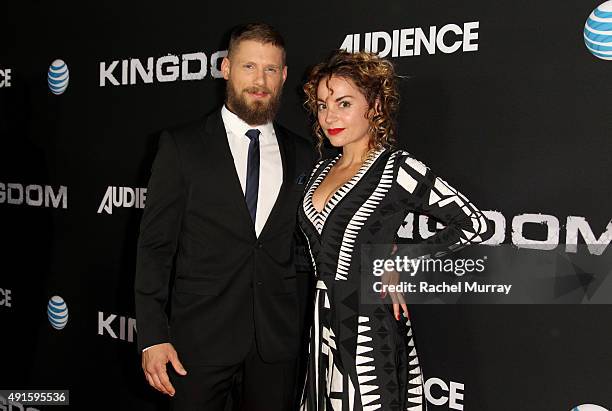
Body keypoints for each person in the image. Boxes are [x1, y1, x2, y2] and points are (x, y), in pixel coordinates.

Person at [298, 50, 494, 411]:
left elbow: (472, 223)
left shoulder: (397, 168)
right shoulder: (318, 173)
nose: (330, 117)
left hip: (371, 329)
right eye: (323, 105)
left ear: (374, 105)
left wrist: (399, 260)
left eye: (344, 103)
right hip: (321, 322)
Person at [134, 23, 315, 411]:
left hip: (276, 345)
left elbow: (332, 232)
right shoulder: (181, 146)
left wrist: (384, 267)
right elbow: (154, 247)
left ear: (283, 76)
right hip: (196, 343)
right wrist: (152, 336)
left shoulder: (303, 154)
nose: (260, 80)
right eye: (249, 66)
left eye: (270, 69)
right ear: (225, 68)